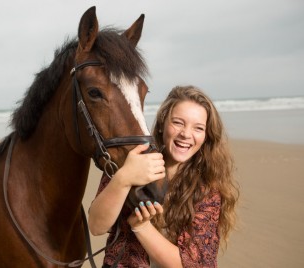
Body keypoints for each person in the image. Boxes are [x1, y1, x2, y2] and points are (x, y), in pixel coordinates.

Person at [88, 85, 239, 267]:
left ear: (206, 136)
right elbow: (96, 226)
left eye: (198, 128)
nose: (186, 134)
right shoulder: (132, 160)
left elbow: (191, 264)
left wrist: (141, 227)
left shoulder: (207, 188)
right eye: (178, 122)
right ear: (162, 124)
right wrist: (124, 178)